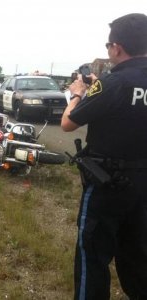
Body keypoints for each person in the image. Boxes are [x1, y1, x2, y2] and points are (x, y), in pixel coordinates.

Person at [61, 13, 147, 300]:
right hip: (142, 185)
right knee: (137, 256)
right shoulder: (115, 83)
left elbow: (68, 122)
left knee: (92, 257)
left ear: (117, 48)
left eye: (108, 44)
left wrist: (78, 93)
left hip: (107, 185)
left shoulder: (113, 83)